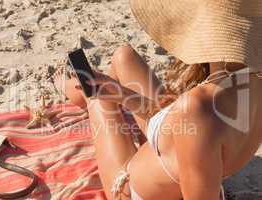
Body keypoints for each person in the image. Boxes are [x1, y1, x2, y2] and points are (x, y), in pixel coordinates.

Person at [53, 0, 262, 199]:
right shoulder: (250, 81)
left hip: (129, 187)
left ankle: (75, 91)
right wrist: (122, 94)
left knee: (97, 99)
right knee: (123, 57)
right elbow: (182, 132)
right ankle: (88, 90)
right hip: (191, 166)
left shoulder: (197, 107)